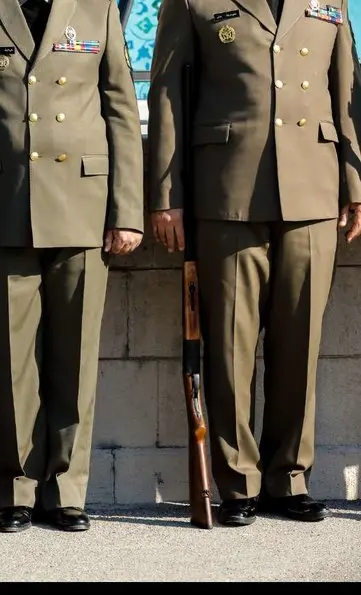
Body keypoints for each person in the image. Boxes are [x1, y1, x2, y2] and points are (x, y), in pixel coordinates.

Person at [0, 0, 144, 533]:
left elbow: (120, 111)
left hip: (84, 207)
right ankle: (16, 489)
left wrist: (127, 211)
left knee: (75, 359)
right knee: (10, 362)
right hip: (3, 209)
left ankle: (66, 489)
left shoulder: (97, 10)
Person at [148, 0, 361, 526]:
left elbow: (346, 89)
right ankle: (237, 481)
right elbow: (168, 93)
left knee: (299, 344)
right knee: (230, 347)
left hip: (313, 190)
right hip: (229, 189)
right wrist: (167, 196)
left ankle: (288, 478)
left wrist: (356, 186)